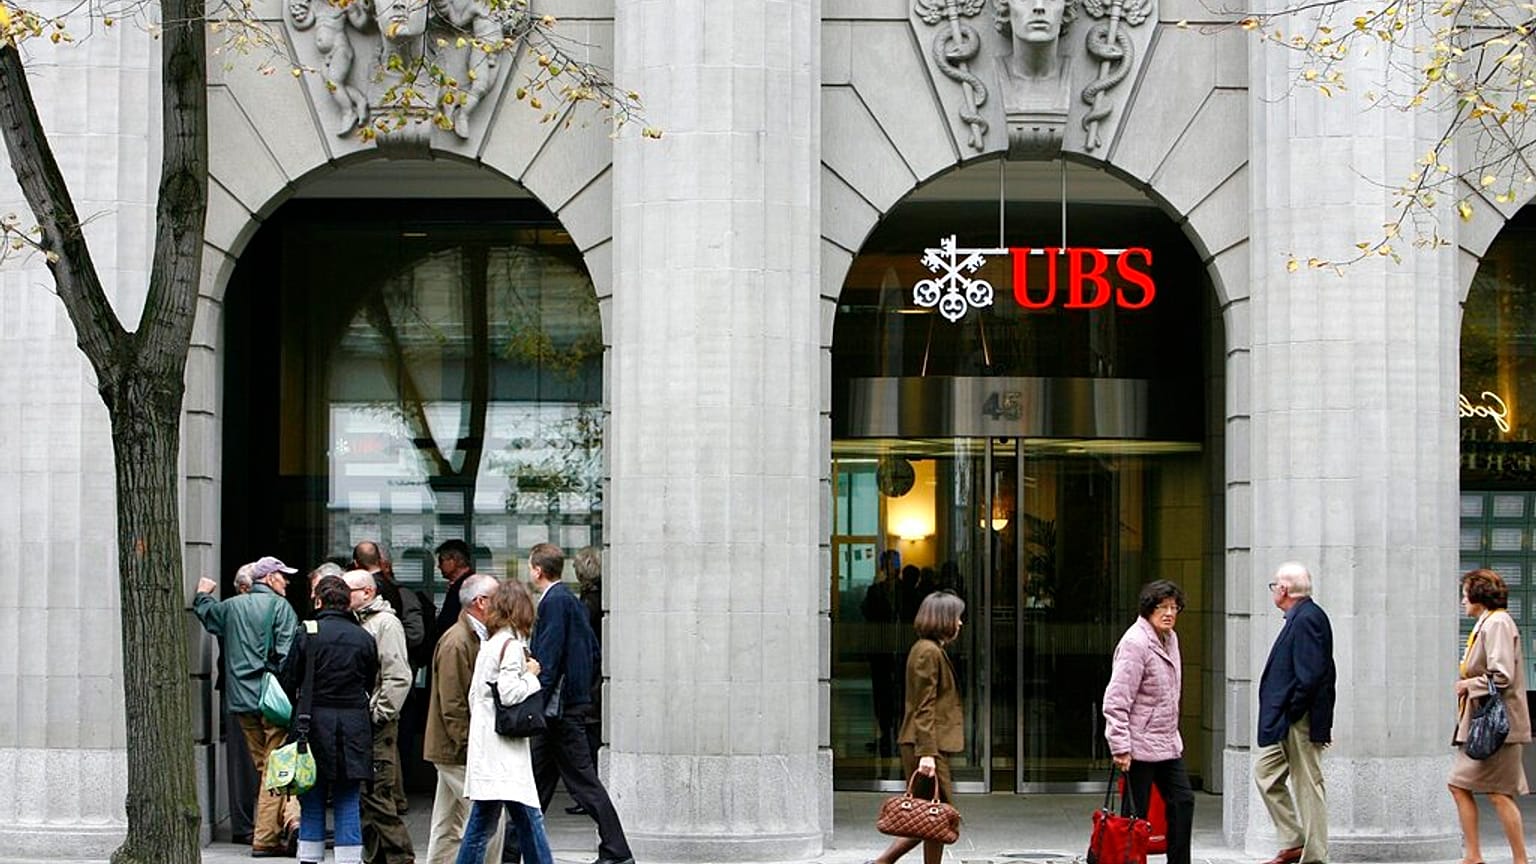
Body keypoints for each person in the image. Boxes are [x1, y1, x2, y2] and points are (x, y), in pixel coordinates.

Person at [523, 542, 634, 864]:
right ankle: (512, 850)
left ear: (538, 570)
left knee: (583, 785)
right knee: (538, 786)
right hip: (563, 710)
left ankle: (617, 850)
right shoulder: (568, 601)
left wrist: (535, 701)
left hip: (557, 713)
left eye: (531, 566)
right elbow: (592, 652)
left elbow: (549, 658)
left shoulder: (555, 602)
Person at [193, 555, 302, 857]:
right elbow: (287, 656)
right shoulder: (281, 608)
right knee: (276, 766)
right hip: (272, 702)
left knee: (266, 765)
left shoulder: (229, 607)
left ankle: (291, 820)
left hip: (240, 701)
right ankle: (269, 835)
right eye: (282, 576)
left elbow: (207, 613)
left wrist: (202, 593)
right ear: (268, 579)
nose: (287, 582)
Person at [458, 579, 555, 864]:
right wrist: (532, 675)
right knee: (527, 817)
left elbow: (476, 696)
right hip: (505, 750)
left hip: (488, 745)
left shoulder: (491, 643)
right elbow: (510, 693)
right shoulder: (510, 646)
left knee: (485, 822)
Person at [869, 590, 966, 864]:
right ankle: (882, 862)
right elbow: (924, 705)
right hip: (925, 744)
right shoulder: (927, 652)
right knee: (934, 814)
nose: (960, 623)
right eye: (957, 617)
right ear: (943, 619)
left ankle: (882, 863)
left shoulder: (929, 649)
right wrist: (927, 753)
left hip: (927, 743)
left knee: (930, 815)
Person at [1102, 580, 1195, 864]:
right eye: (1162, 607)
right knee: (1135, 815)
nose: (1169, 613)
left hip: (1167, 742)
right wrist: (1120, 746)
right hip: (1139, 745)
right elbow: (1117, 699)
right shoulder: (1135, 642)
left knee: (1183, 801)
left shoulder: (1170, 637)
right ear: (1148, 609)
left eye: (1173, 607)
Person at [293, 574, 380, 864]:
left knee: (312, 800)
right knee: (347, 799)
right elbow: (370, 681)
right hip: (354, 726)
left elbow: (289, 676)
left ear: (318, 600)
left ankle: (309, 859)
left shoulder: (308, 632)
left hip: (312, 725)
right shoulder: (364, 637)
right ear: (346, 603)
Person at [1255, 562, 1337, 864]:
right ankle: (1293, 841)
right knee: (1265, 774)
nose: (1274, 590)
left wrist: (1292, 712)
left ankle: (1315, 856)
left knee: (1308, 786)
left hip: (1298, 720)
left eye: (1275, 585)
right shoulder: (1301, 617)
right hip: (1287, 719)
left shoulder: (1307, 619)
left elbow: (1311, 675)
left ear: (1284, 590)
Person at [1448, 568, 1529, 864]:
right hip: (1488, 724)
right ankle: (1474, 855)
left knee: (1497, 792)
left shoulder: (1497, 624)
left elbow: (1502, 675)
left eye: (1465, 594)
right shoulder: (1489, 623)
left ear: (1478, 595)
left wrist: (1469, 684)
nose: (1462, 601)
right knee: (1465, 786)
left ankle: (1515, 859)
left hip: (1498, 726)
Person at [424, 573, 505, 864]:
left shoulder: (475, 636)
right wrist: (472, 747)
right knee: (488, 814)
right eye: (498, 597)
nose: (504, 603)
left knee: (447, 822)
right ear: (481, 602)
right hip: (457, 749)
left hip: (453, 747)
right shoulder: (457, 642)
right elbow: (453, 705)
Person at [344, 568, 418, 864]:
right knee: (367, 797)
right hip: (364, 721)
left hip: (377, 723)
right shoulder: (360, 622)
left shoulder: (385, 624)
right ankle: (374, 857)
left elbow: (398, 675)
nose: (343, 596)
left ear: (367, 592)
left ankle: (400, 857)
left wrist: (379, 713)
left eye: (348, 590)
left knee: (377, 794)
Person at [569, 544, 604, 814]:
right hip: (596, 680)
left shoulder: (588, 603)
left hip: (591, 683)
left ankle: (590, 798)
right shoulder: (599, 599)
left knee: (588, 742)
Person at [861, 550, 902, 757]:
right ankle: (885, 733)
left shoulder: (904, 590)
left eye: (892, 565)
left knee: (900, 694)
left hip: (901, 649)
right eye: (886, 566)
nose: (889, 570)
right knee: (881, 694)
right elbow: (867, 612)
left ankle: (898, 734)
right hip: (880, 651)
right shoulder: (875, 590)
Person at [434, 539, 477, 636]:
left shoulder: (470, 586)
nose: (438, 566)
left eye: (441, 561)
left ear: (453, 561)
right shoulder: (459, 585)